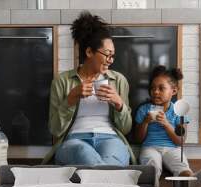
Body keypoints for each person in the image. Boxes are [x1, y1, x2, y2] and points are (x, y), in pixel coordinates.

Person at [42, 11, 136, 166]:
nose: (110, 60)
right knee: (84, 153)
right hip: (74, 140)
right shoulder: (62, 81)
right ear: (89, 52)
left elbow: (125, 129)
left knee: (113, 157)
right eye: (107, 54)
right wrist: (70, 100)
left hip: (110, 138)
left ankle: (97, 180)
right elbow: (55, 130)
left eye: (113, 55)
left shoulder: (118, 80)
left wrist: (119, 104)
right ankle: (113, 182)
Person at [134, 65, 201, 187]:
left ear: (174, 91)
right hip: (150, 146)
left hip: (172, 148)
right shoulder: (144, 109)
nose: (155, 92)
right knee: (151, 163)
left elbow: (180, 141)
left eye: (161, 88)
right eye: (153, 88)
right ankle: (151, 183)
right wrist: (145, 122)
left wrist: (166, 124)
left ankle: (190, 180)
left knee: (180, 164)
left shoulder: (179, 110)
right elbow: (138, 139)